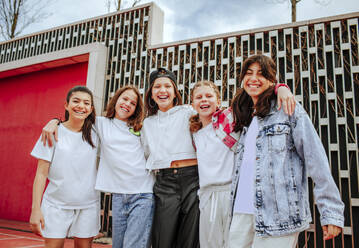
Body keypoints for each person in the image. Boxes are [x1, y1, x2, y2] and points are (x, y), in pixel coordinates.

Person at [142, 68, 295, 248]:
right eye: (157, 86)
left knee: (195, 238)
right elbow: (146, 153)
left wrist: (280, 88)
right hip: (168, 182)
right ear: (150, 94)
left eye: (168, 86)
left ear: (175, 92)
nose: (162, 90)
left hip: (194, 180)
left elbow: (248, 98)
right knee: (166, 237)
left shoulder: (190, 113)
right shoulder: (151, 124)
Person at [228, 54, 344, 248]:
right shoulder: (244, 114)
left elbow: (316, 159)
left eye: (261, 74)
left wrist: (330, 212)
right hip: (241, 212)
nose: (254, 78)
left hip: (278, 215)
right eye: (249, 74)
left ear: (272, 80)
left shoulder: (288, 109)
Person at [41, 85, 155, 248]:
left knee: (134, 245)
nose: (127, 104)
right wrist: (54, 121)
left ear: (136, 109)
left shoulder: (140, 128)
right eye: (124, 99)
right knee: (118, 245)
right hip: (118, 195)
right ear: (116, 100)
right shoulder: (100, 123)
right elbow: (76, 117)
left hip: (143, 193)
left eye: (133, 103)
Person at [30, 86, 100, 248]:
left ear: (91, 109)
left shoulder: (97, 134)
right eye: (76, 101)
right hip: (56, 204)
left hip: (88, 204)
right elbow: (41, 174)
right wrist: (36, 209)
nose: (81, 106)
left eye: (86, 103)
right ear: (66, 105)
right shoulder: (52, 133)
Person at [189, 81, 233, 248]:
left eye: (209, 96)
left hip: (229, 192)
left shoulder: (228, 122)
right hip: (207, 194)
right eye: (199, 97)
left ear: (218, 101)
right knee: (210, 244)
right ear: (192, 104)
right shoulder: (195, 135)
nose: (204, 100)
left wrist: (281, 89)